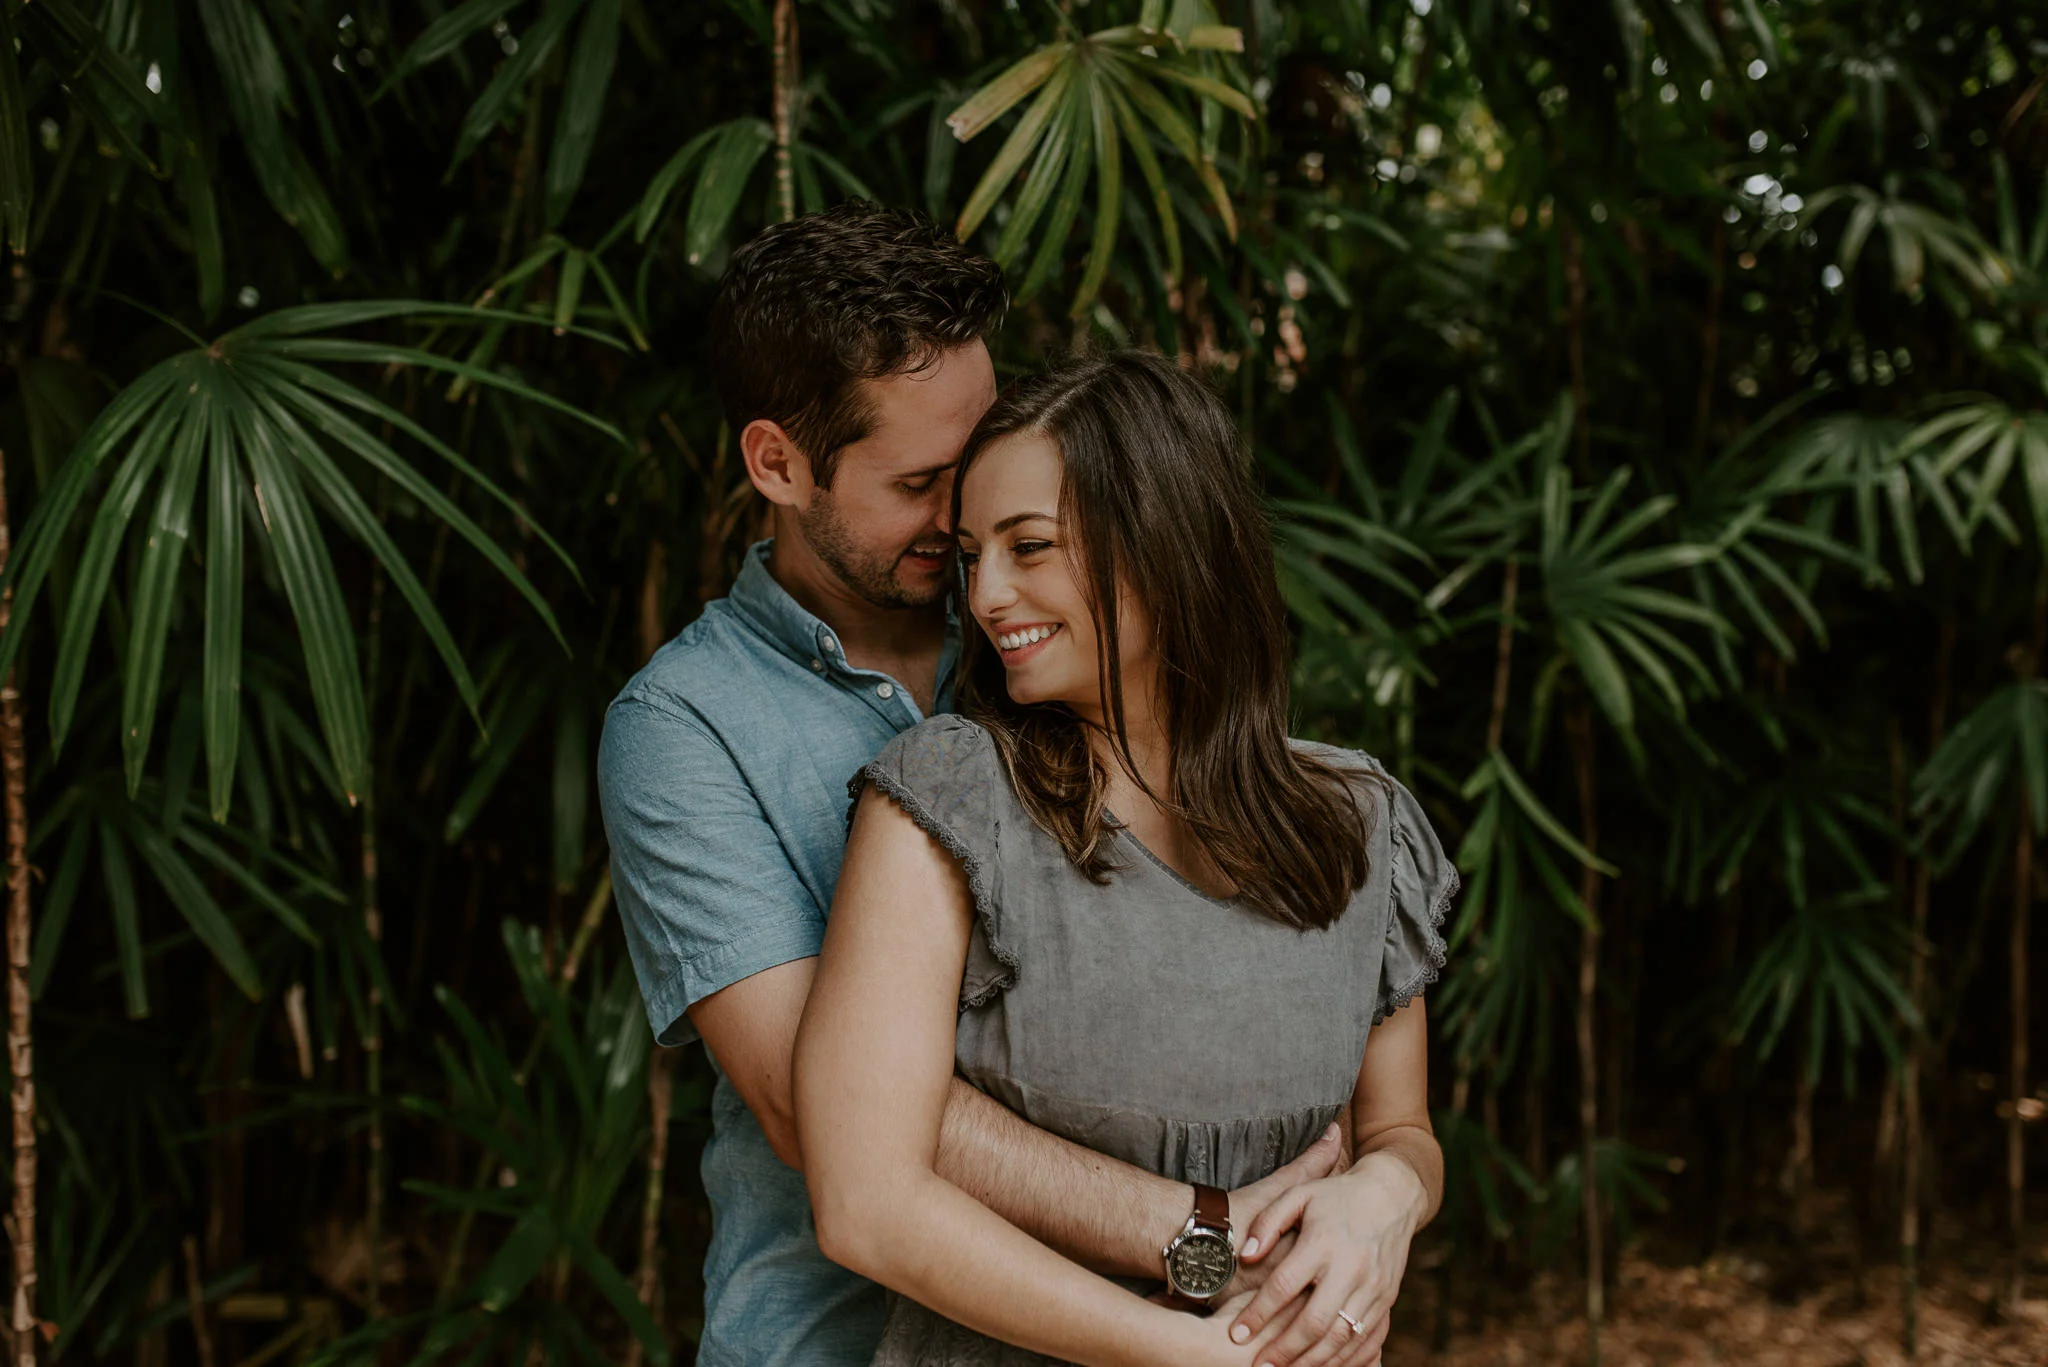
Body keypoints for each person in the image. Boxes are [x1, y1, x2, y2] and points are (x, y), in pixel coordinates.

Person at [598, 207, 1345, 1367]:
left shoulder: (1050, 626)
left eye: (978, 463)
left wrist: (1381, 1190)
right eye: (918, 482)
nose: (963, 525)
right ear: (775, 463)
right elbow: (820, 1112)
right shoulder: (682, 729)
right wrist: (1200, 1229)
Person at [793, 351, 1455, 1367]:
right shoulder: (951, 797)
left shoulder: (1359, 822)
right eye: (974, 554)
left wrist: (1385, 1196)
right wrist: (1191, 1352)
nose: (985, 595)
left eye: (1029, 546)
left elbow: (1398, 1128)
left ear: (1164, 543)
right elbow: (865, 1203)